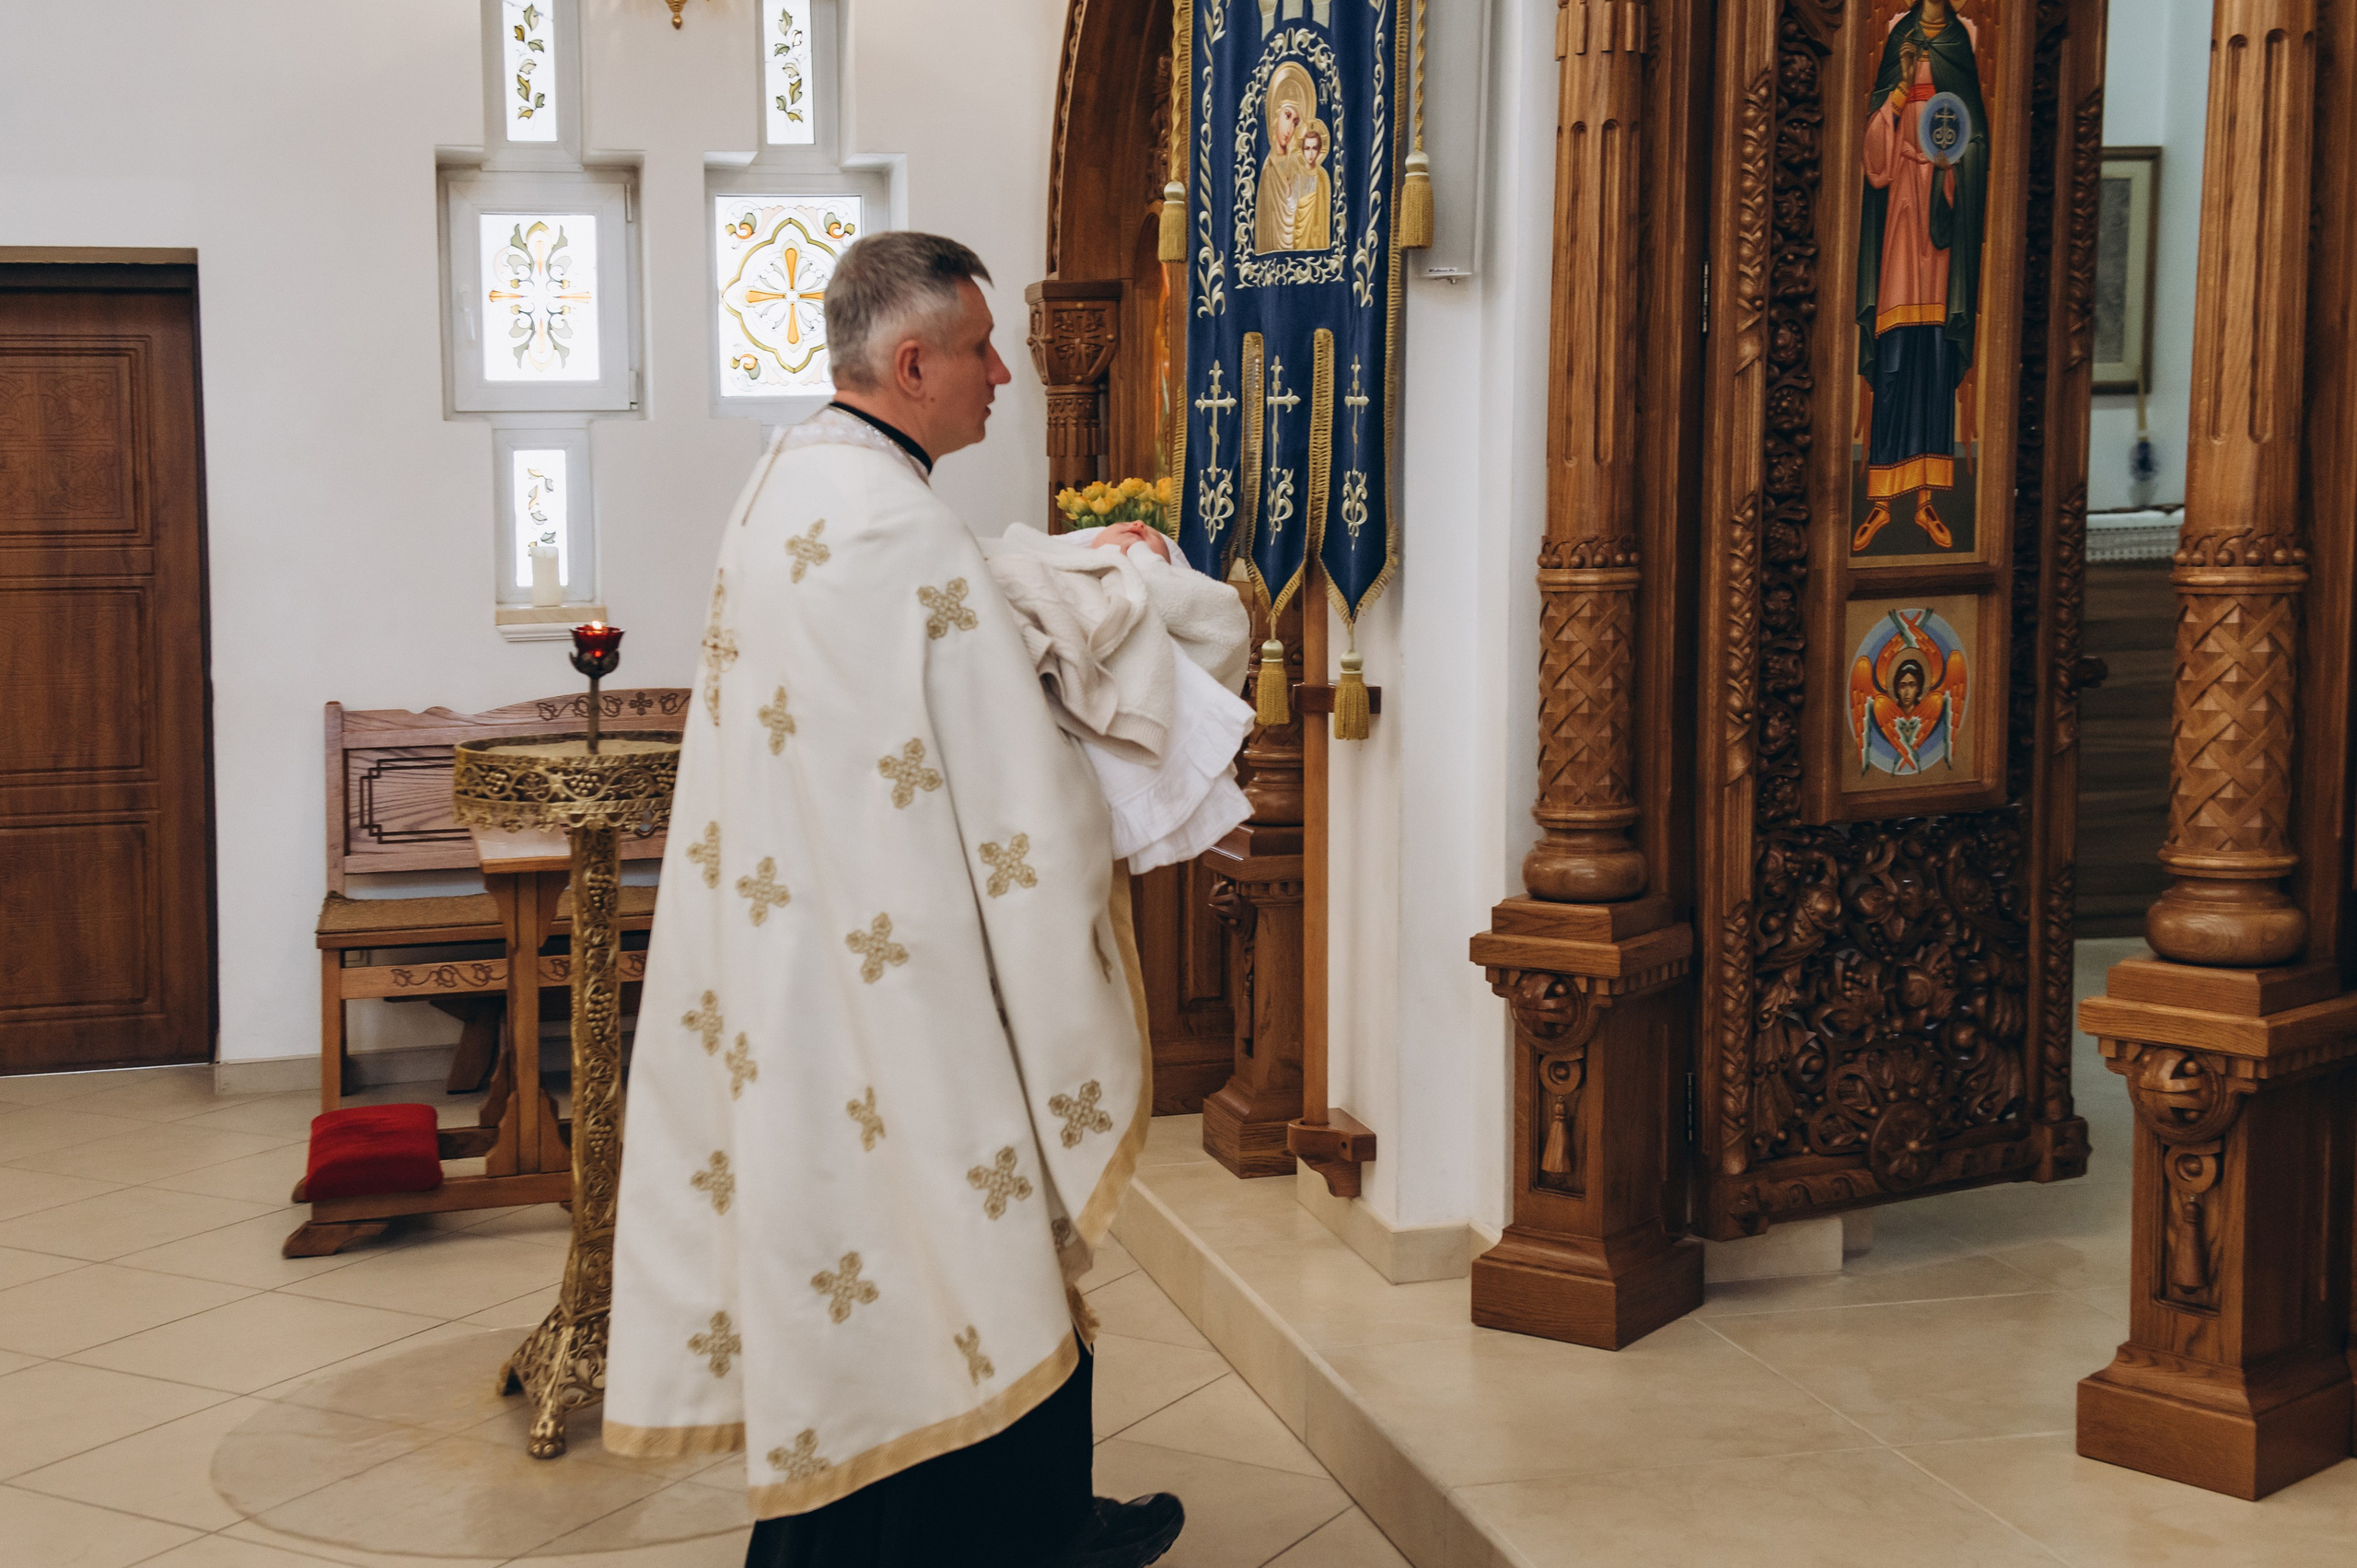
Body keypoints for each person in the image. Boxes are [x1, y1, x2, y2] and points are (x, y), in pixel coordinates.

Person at [602, 231, 1184, 1568]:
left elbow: (912, 655)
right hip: (906, 976)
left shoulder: (798, 484)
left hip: (805, 965)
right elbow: (1011, 774)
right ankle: (1015, 1539)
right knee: (970, 1241)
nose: (1004, 373)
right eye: (980, 348)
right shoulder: (894, 521)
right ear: (911, 361)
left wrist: (1050, 565)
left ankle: (1035, 1521)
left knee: (884, 1255)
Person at [1852, 0, 1988, 553]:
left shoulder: (1968, 39)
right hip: (1900, 220)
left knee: (1932, 357)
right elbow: (1873, 152)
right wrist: (1901, 90)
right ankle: (1879, 502)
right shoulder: (1894, 34)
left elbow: (1977, 137)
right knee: (1894, 356)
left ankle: (1928, 501)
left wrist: (1955, 166)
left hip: (1942, 221)